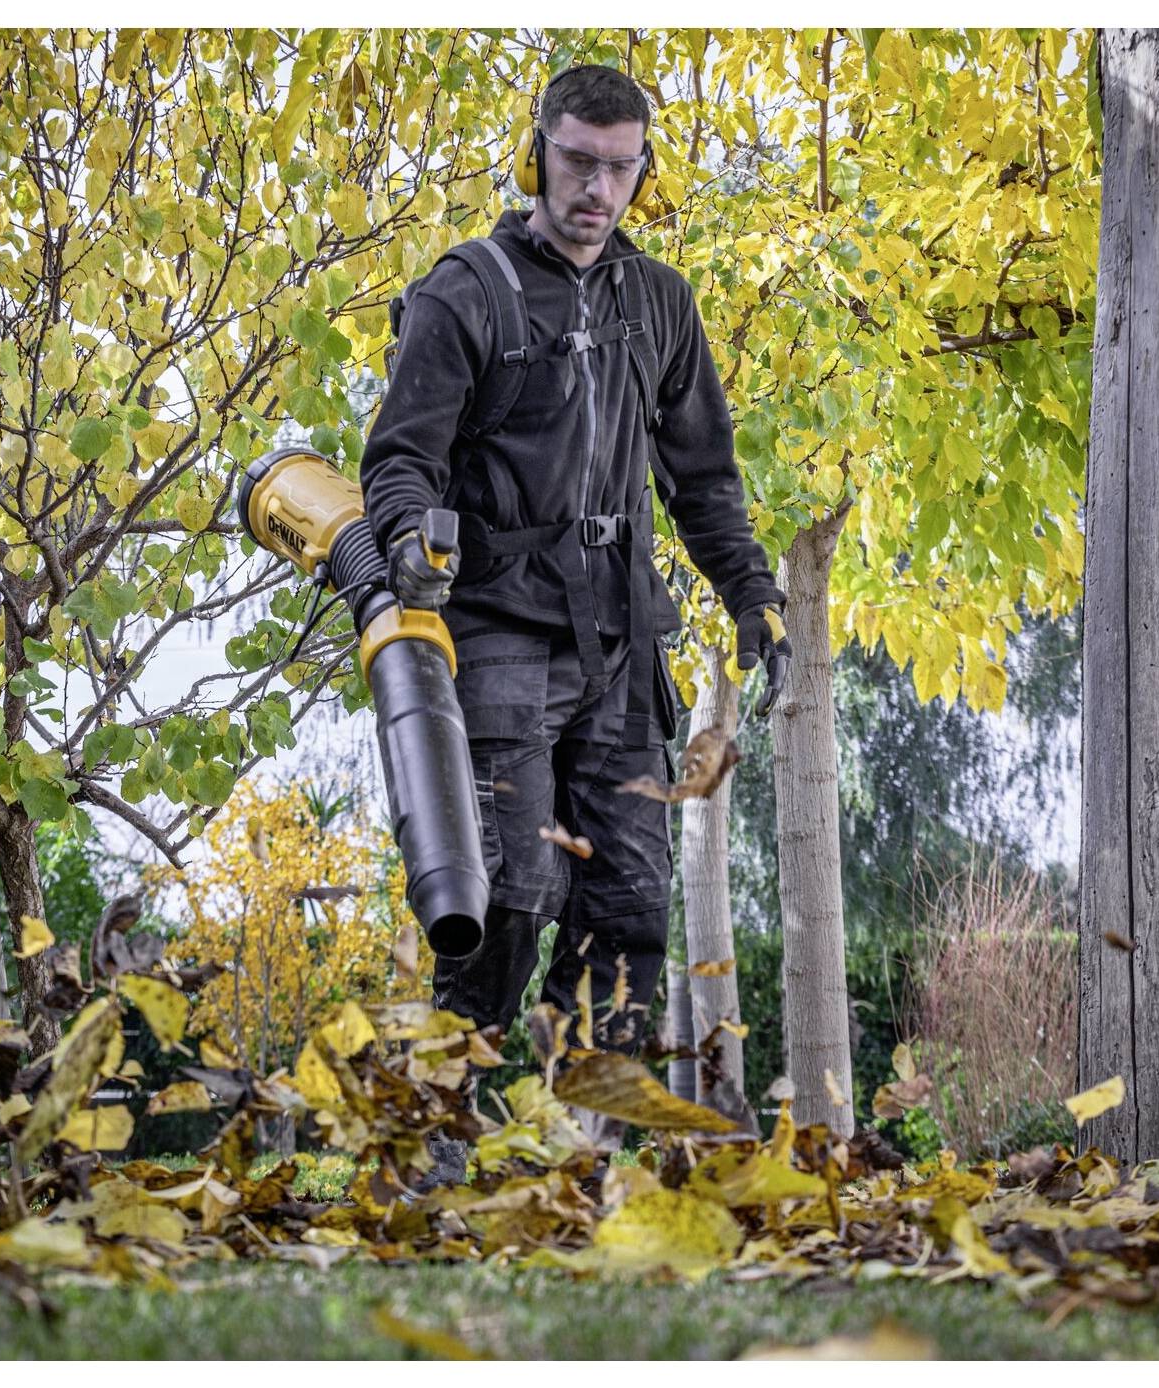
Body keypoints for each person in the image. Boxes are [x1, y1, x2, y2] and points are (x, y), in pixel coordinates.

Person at [360, 64, 789, 1167]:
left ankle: (580, 1148)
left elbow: (705, 479)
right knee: (513, 889)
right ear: (536, 152)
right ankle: (434, 1135)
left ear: (643, 168)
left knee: (633, 903)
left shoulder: (661, 305)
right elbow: (400, 461)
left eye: (621, 166)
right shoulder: (467, 291)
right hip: (498, 632)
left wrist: (751, 594)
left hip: (622, 650)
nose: (598, 187)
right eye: (577, 161)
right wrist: (410, 540)